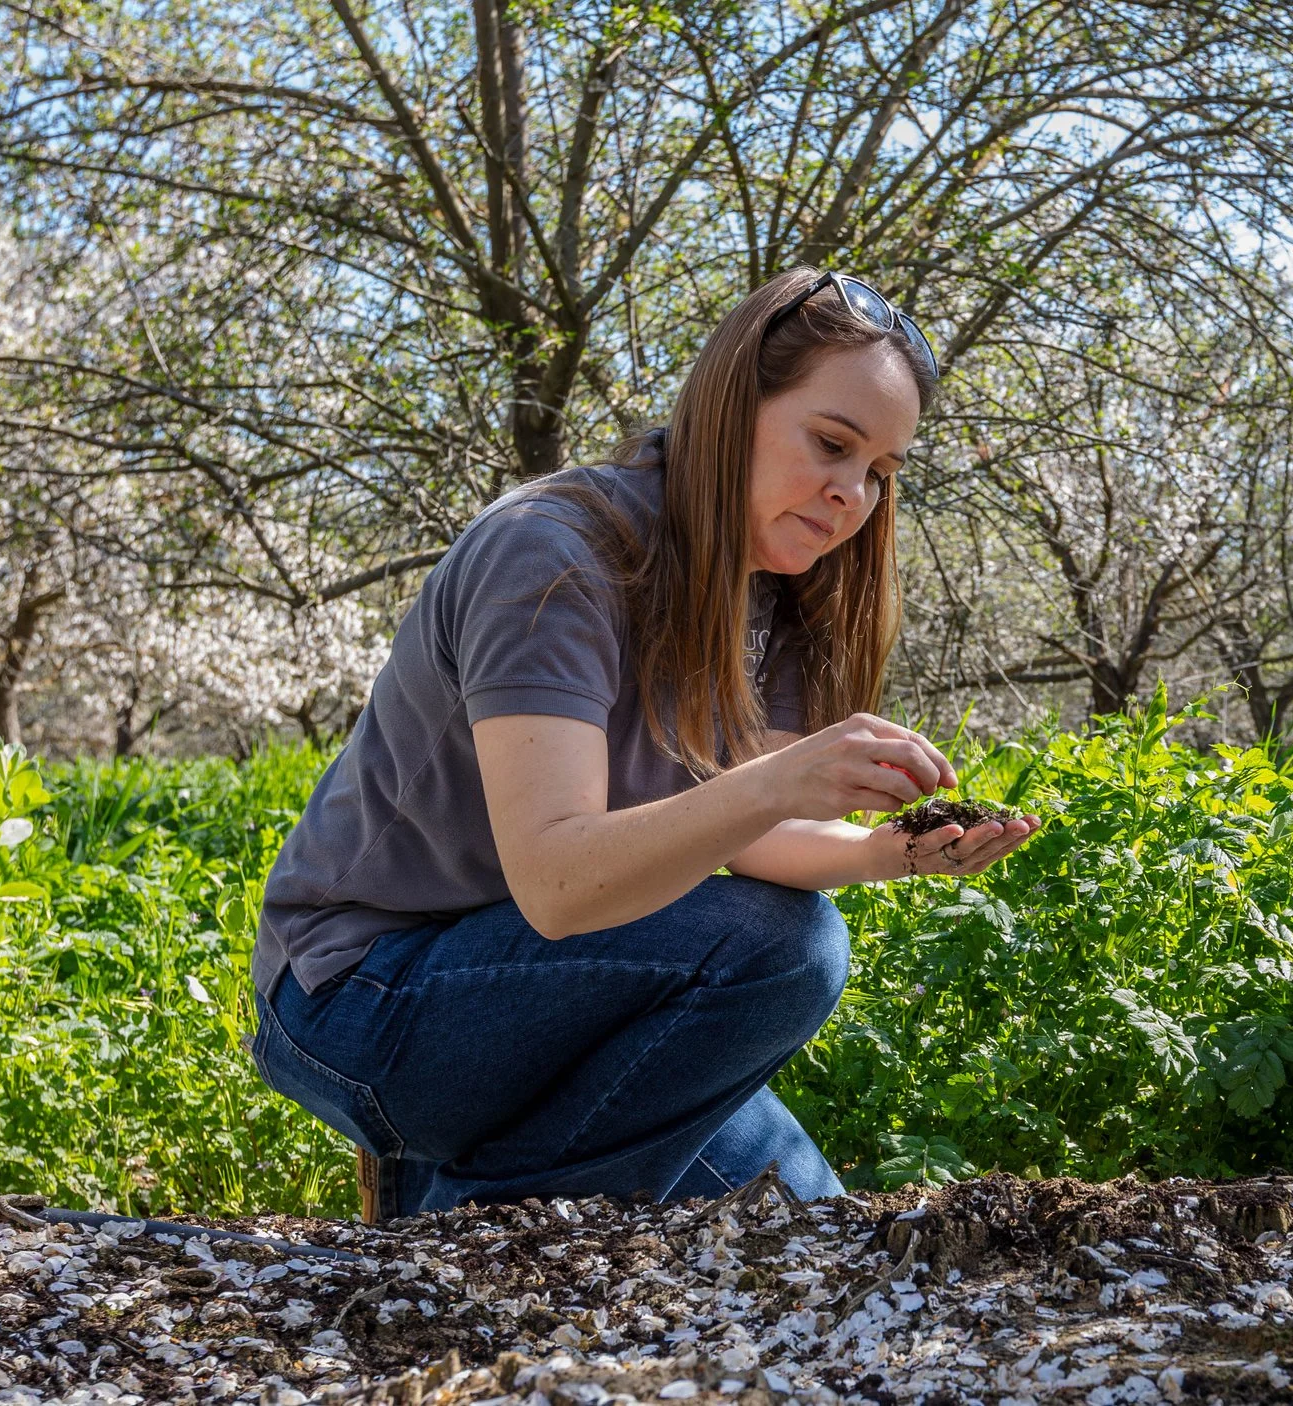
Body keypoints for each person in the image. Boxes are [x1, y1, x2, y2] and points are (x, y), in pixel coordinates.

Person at [246, 269, 1037, 1222]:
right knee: (788, 947)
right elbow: (558, 879)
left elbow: (729, 837)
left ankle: (460, 1196)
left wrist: (886, 853)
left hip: (558, 980)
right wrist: (780, 777)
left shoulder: (772, 598)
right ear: (731, 406)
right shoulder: (553, 555)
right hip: (361, 995)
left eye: (879, 472)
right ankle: (466, 1229)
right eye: (831, 443)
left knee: (810, 1228)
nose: (851, 495)